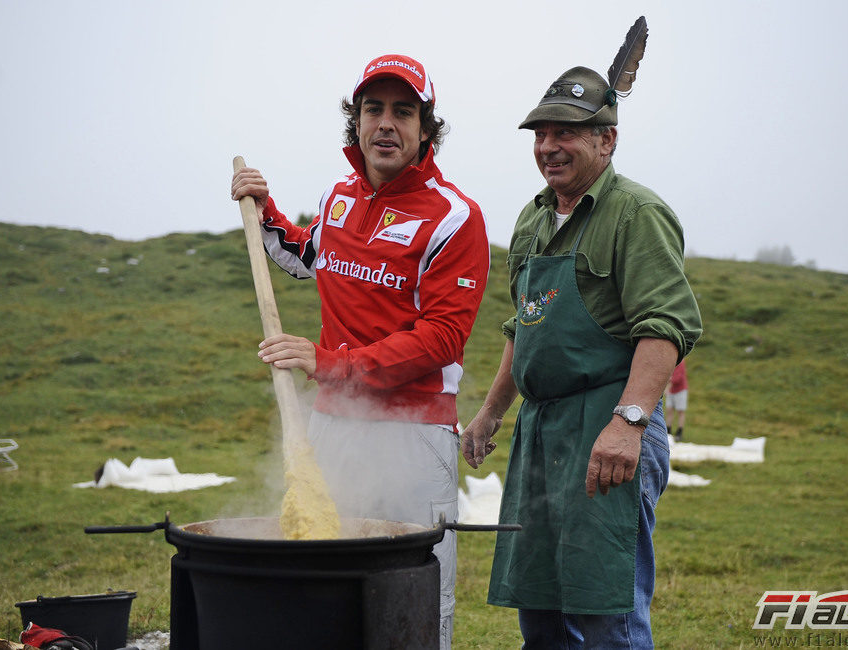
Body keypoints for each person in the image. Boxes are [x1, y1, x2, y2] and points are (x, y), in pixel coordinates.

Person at [231, 54, 490, 649]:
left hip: (413, 433)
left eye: (404, 111)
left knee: (415, 593)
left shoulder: (455, 217)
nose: (386, 125)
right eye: (373, 109)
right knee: (324, 577)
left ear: (427, 127)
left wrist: (331, 365)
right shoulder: (339, 196)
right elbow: (306, 255)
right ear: (357, 121)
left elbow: (442, 338)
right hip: (331, 429)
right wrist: (262, 210)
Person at [461, 56, 702, 647]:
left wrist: (630, 422)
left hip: (609, 422)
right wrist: (493, 411)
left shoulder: (635, 213)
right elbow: (525, 325)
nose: (548, 146)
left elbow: (665, 326)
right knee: (538, 605)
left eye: (564, 131)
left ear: (607, 140)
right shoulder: (533, 218)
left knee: (604, 607)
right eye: (540, 134)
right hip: (541, 431)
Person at [664, 359, 688, 440]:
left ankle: (679, 432)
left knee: (680, 411)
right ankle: (668, 431)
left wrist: (668, 387)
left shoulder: (681, 362)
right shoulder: (669, 359)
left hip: (680, 390)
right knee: (669, 410)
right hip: (671, 391)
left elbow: (678, 378)